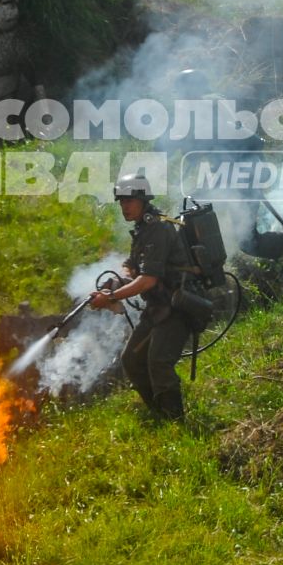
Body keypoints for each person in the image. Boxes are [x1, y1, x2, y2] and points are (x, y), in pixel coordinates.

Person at [88, 172, 194, 421]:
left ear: (143, 200)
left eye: (129, 201)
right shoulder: (143, 229)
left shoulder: (158, 228)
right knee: (132, 360)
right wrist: (115, 283)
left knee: (158, 362)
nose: (125, 206)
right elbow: (133, 268)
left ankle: (175, 421)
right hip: (158, 307)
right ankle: (160, 416)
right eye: (122, 202)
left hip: (177, 307)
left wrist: (111, 295)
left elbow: (148, 280)